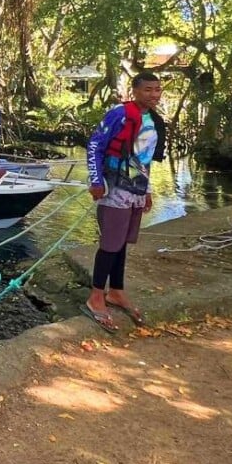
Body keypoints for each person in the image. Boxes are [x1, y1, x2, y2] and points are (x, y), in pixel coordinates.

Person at [83, 71, 166, 333]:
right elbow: (95, 145)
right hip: (115, 189)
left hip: (136, 189)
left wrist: (147, 191)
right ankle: (96, 296)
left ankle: (116, 291)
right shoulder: (119, 114)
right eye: (148, 89)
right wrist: (96, 180)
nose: (154, 94)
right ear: (135, 91)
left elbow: (145, 160)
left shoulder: (154, 120)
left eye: (157, 89)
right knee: (110, 243)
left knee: (121, 243)